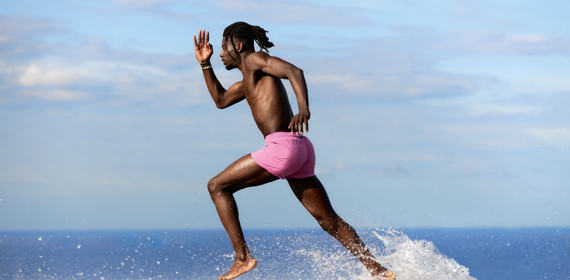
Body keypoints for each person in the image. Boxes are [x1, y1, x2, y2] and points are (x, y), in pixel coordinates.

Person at [193, 22, 395, 280]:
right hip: (300, 149)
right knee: (328, 221)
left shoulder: (255, 60)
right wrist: (204, 64)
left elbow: (293, 71)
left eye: (223, 48)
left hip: (282, 148)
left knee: (217, 186)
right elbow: (220, 100)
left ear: (239, 46)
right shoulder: (248, 79)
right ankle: (378, 271)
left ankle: (242, 258)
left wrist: (304, 109)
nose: (220, 53)